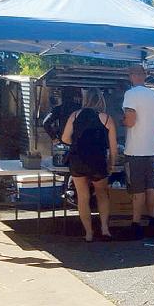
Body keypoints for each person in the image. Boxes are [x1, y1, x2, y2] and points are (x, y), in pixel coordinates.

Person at [61, 88, 118, 243]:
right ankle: (105, 229)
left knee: (83, 197)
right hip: (98, 161)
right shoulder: (106, 118)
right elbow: (113, 147)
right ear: (101, 100)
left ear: (85, 100)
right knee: (102, 195)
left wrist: (77, 143)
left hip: (78, 159)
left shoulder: (74, 116)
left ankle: (88, 233)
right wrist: (112, 163)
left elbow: (65, 138)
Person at [122, 65, 154, 239]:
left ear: (132, 76)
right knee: (150, 188)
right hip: (151, 148)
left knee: (138, 190)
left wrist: (123, 121)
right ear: (144, 76)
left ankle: (136, 225)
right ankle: (153, 222)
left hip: (135, 149)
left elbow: (130, 121)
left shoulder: (130, 94)